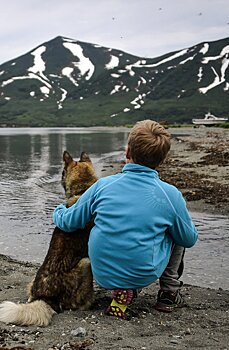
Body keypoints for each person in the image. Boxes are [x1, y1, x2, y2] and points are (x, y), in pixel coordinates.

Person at [52, 119, 198, 319]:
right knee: (176, 234)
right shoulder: (170, 194)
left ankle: (124, 290)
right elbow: (189, 239)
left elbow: (69, 222)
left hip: (103, 274)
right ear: (162, 159)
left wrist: (59, 210)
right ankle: (169, 293)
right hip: (143, 272)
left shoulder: (102, 186)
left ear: (127, 152)